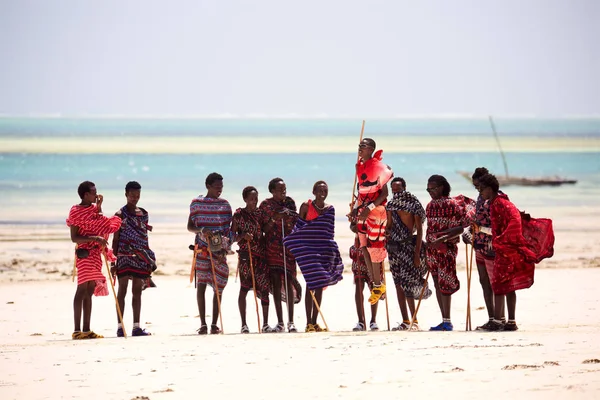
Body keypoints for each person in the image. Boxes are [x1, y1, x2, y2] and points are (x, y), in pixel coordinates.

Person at [475, 173, 553, 331]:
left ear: (490, 189)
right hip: (508, 247)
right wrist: (483, 230)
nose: (480, 192)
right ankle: (511, 322)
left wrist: (501, 240)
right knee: (508, 286)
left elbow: (515, 222)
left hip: (506, 249)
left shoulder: (497, 204)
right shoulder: (501, 201)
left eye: (482, 189)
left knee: (498, 284)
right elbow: (503, 226)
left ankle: (497, 322)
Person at [284, 181, 344, 333]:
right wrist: (293, 242)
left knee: (319, 285)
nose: (323, 193)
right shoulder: (306, 206)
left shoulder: (330, 209)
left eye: (325, 190)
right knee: (311, 284)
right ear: (314, 191)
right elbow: (300, 228)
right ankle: (308, 323)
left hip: (323, 251)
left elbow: (329, 232)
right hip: (308, 252)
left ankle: (314, 322)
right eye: (320, 190)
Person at [67, 181, 122, 340]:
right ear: (85, 195)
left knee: (90, 290)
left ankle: (87, 329)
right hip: (84, 253)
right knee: (81, 289)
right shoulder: (75, 211)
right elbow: (74, 237)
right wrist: (95, 238)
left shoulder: (92, 208)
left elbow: (99, 223)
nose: (96, 194)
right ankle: (77, 330)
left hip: (95, 254)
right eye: (93, 192)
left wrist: (99, 206)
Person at [425, 175, 475, 331]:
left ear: (441, 187)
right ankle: (444, 319)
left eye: (432, 188)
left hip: (447, 250)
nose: (430, 192)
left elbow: (459, 229)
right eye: (428, 189)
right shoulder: (430, 205)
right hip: (432, 250)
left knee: (445, 283)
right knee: (436, 282)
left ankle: (447, 321)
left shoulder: (452, 205)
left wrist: (442, 238)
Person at [187, 172, 233, 335]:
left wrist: (226, 246)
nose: (219, 190)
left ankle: (214, 324)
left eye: (221, 187)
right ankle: (203, 324)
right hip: (202, 250)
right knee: (201, 286)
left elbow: (229, 230)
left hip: (219, 251)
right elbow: (190, 226)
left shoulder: (225, 206)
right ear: (208, 186)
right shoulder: (197, 204)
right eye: (216, 187)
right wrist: (201, 230)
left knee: (219, 286)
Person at [350, 138, 394, 306]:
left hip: (376, 212)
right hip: (363, 210)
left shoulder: (378, 167)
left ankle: (377, 284)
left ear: (371, 149)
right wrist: (356, 208)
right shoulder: (360, 167)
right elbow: (362, 193)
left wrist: (369, 207)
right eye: (359, 146)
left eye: (363, 146)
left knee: (374, 248)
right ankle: (377, 284)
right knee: (363, 246)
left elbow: (384, 194)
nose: (360, 149)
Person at [110, 181, 155, 337]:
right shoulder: (119, 215)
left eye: (137, 195)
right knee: (122, 290)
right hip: (123, 256)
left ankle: (136, 327)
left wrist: (148, 256)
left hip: (140, 256)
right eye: (132, 195)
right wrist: (112, 261)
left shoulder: (143, 214)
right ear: (126, 195)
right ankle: (120, 327)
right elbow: (115, 239)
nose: (135, 198)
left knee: (137, 291)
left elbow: (144, 237)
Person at [385, 177, 431, 331]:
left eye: (398, 189)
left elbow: (419, 231)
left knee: (408, 284)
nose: (396, 192)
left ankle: (415, 321)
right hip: (393, 248)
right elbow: (390, 226)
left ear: (404, 188)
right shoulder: (390, 205)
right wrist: (385, 233)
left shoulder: (413, 204)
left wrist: (417, 254)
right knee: (398, 284)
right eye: (394, 189)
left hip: (408, 247)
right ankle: (405, 320)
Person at [464, 168, 506, 330]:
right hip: (479, 244)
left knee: (495, 283)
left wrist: (480, 229)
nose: (478, 190)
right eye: (476, 187)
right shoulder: (481, 197)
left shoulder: (497, 198)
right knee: (484, 282)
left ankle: (499, 319)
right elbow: (478, 218)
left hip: (492, 245)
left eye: (479, 187)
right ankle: (491, 317)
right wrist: (469, 232)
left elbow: (497, 224)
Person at [259, 177, 302, 333]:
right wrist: (274, 218)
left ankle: (291, 321)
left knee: (289, 281)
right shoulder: (265, 205)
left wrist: (287, 215)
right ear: (272, 191)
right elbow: (263, 228)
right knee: (276, 283)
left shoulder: (289, 202)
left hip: (288, 247)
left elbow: (297, 219)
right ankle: (280, 321)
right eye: (279, 189)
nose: (283, 192)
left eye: (284, 189)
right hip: (272, 247)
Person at [231, 186, 273, 333]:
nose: (254, 201)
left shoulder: (260, 214)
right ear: (245, 199)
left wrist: (273, 220)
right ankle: (244, 324)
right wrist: (243, 236)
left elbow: (265, 230)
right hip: (245, 257)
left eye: (256, 198)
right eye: (251, 199)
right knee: (244, 289)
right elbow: (232, 236)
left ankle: (266, 324)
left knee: (264, 289)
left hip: (260, 256)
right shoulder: (238, 215)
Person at [349, 231, 380, 331]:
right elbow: (352, 226)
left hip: (374, 248)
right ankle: (361, 321)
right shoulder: (356, 214)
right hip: (359, 251)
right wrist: (358, 228)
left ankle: (373, 320)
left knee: (375, 287)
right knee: (359, 286)